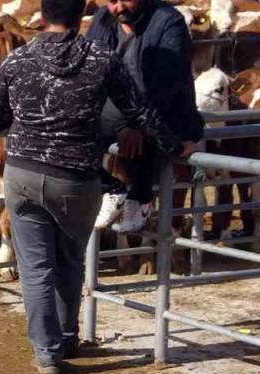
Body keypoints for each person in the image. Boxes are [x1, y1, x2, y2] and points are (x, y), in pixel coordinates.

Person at [0, 0, 197, 374]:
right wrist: (177, 146)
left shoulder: (15, 61)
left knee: (34, 268)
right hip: (76, 178)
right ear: (81, 13)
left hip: (24, 174)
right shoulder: (101, 59)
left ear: (42, 15)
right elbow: (141, 112)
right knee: (69, 260)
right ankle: (66, 336)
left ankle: (47, 353)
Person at [85, 0, 204, 232]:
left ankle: (140, 197)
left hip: (164, 112)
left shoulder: (169, 22)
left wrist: (137, 126)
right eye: (112, 1)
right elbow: (91, 71)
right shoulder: (102, 19)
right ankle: (112, 189)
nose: (118, 8)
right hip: (114, 110)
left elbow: (165, 85)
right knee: (69, 129)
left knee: (149, 135)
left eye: (125, 0)